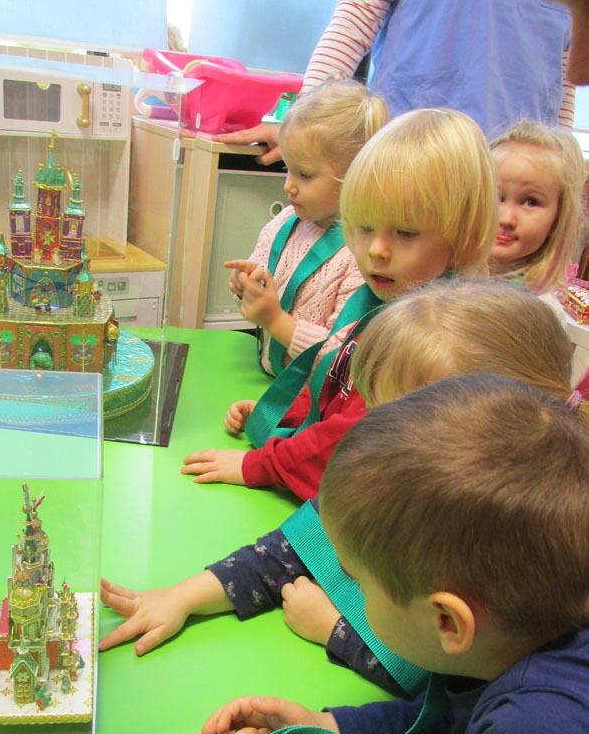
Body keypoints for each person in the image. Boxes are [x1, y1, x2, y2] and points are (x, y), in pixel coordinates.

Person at [192, 374, 589, 734]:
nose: (349, 593)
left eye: (357, 583)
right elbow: (453, 733)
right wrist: (321, 730)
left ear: (448, 622)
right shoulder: (525, 632)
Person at [99, 280, 587, 676]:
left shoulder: (509, 555)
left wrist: (335, 629)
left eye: (392, 420)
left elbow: (449, 697)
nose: (369, 433)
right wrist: (184, 597)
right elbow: (288, 549)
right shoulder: (397, 480)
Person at [180, 108, 497, 500]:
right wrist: (283, 416)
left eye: (405, 232)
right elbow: (334, 378)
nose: (376, 250)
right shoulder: (385, 295)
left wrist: (258, 466)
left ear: (465, 237)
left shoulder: (428, 338)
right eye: (364, 227)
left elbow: (348, 442)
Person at [220, 0, 575, 164]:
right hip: (412, 157)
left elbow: (565, 72)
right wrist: (302, 124)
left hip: (514, 173)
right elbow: (356, 18)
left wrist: (563, 163)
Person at [225, 79, 387, 377]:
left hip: (310, 398)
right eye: (287, 169)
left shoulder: (362, 256)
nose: (288, 185)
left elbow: (340, 359)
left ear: (355, 176)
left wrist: (275, 320)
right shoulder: (285, 221)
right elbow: (262, 273)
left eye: (305, 175)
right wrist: (246, 286)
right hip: (271, 381)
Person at [489, 119, 587, 296]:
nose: (506, 219)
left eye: (530, 202)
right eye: (498, 197)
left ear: (558, 218)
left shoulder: (536, 303)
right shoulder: (453, 270)